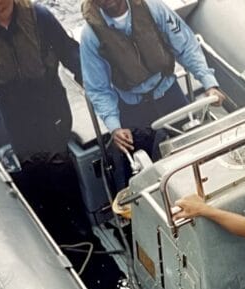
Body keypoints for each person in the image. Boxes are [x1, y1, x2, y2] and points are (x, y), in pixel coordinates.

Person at [0, 0, 87, 238]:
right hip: (14, 109)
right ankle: (50, 229)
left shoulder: (39, 15)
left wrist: (89, 80)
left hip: (51, 103)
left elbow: (68, 50)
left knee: (59, 162)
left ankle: (80, 225)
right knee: (31, 163)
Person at [80, 0, 226, 173]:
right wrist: (115, 127)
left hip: (170, 94)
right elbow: (98, 88)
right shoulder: (90, 35)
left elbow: (186, 46)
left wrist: (209, 83)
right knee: (141, 170)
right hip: (132, 109)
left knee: (200, 154)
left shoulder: (153, 7)